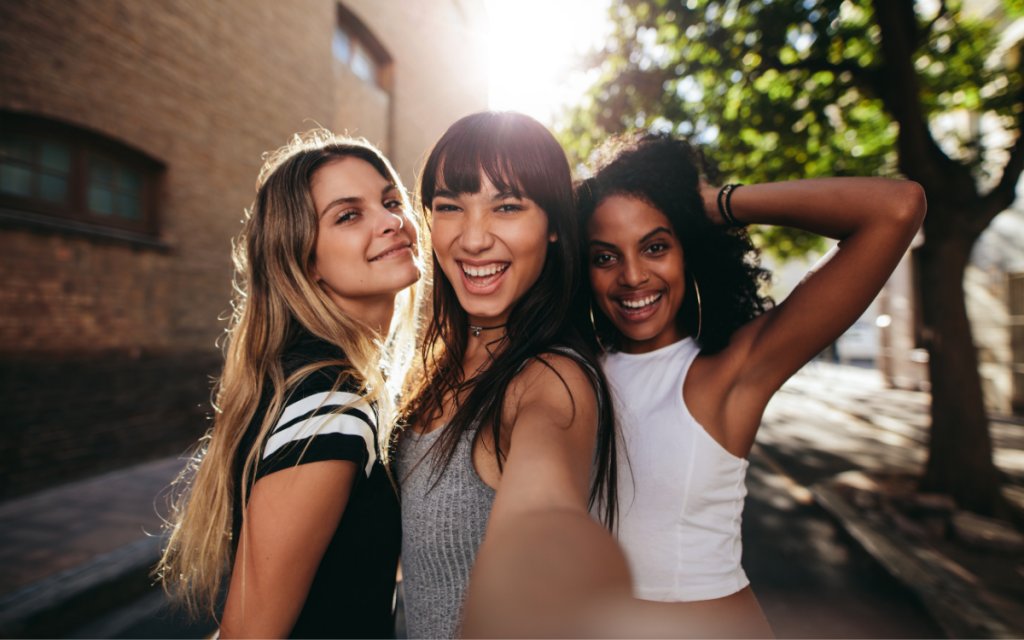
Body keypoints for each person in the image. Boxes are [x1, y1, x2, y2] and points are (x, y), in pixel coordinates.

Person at [573, 132, 927, 635]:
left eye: (655, 247)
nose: (632, 275)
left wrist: (715, 205)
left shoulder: (731, 368)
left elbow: (897, 207)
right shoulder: (572, 368)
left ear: (688, 252)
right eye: (605, 256)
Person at [154, 130, 427, 639]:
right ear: (305, 261)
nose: (392, 221)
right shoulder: (329, 404)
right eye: (349, 215)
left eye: (392, 201)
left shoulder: (321, 382)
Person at [396, 111, 617, 639]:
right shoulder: (441, 364)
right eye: (450, 206)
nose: (473, 239)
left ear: (557, 227)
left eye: (508, 206)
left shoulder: (549, 381)